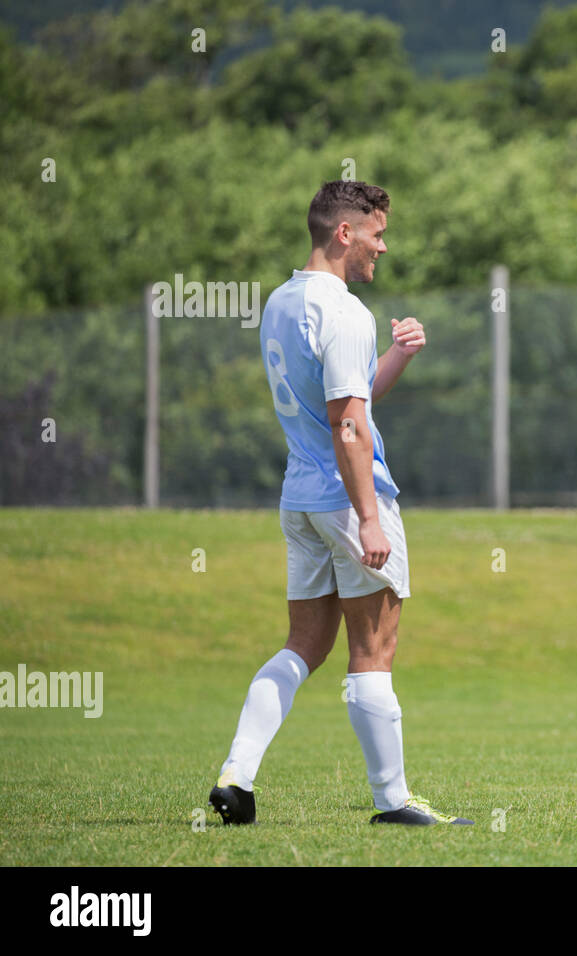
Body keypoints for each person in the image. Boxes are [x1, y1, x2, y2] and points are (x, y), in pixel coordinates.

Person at [207, 180, 471, 827]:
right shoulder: (345, 310)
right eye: (377, 234)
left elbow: (344, 397)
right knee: (373, 650)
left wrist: (397, 356)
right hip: (350, 500)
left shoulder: (280, 302)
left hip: (300, 500)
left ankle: (236, 776)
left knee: (305, 643)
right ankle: (395, 801)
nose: (383, 248)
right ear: (344, 233)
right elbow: (349, 425)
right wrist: (371, 517)